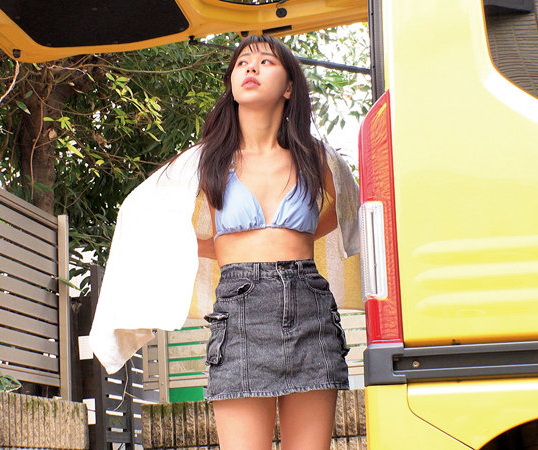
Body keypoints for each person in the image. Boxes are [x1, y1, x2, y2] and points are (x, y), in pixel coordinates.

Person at [88, 34, 361, 450]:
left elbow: (351, 211)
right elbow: (141, 213)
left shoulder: (316, 157)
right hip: (240, 311)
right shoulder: (207, 160)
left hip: (309, 307)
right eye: (242, 63)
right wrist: (211, 248)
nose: (251, 68)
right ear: (232, 85)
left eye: (266, 62)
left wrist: (301, 233)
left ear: (289, 86)